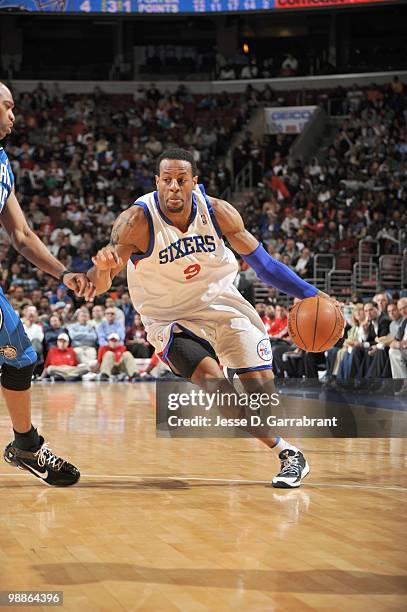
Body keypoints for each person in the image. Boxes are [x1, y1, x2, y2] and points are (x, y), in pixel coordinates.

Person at [88, 148, 337, 489]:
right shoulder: (136, 222)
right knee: (213, 382)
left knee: (261, 395)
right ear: (157, 182)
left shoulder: (218, 212)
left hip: (221, 303)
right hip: (168, 316)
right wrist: (102, 270)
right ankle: (288, 453)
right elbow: (101, 283)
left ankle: (247, 381)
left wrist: (311, 294)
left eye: (181, 180)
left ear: (194, 182)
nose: (173, 187)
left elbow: (264, 266)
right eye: (166, 180)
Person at [0, 82, 94, 486]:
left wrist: (63, 273)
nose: (13, 115)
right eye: (6, 106)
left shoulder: (2, 163)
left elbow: (20, 236)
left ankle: (25, 445)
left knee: (20, 359)